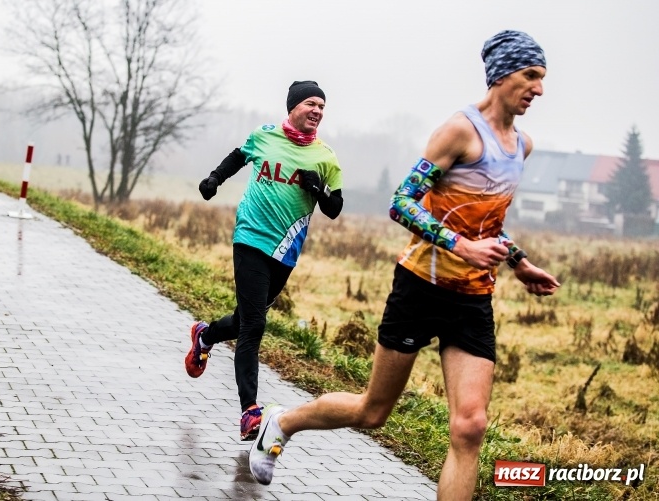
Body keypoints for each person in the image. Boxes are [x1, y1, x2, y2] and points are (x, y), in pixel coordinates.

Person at [248, 30, 561, 500]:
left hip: (474, 298)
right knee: (372, 412)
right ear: (501, 75)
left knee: (470, 427)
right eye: (531, 75)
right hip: (420, 287)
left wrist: (519, 262)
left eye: (542, 78)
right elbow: (401, 204)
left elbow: (487, 224)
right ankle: (283, 421)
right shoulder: (460, 131)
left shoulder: (521, 146)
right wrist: (460, 245)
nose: (539, 88)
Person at [184, 80, 344, 442]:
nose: (317, 111)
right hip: (250, 237)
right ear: (293, 107)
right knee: (255, 325)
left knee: (244, 319)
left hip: (285, 251)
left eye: (322, 106)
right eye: (310, 104)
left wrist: (317, 189)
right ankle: (249, 412)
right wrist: (214, 179)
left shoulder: (326, 157)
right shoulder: (266, 136)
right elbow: (239, 156)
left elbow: (334, 209)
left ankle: (205, 335)